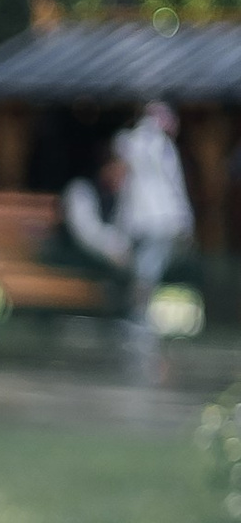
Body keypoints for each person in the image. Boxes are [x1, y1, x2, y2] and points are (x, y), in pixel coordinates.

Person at [61, 97, 192, 370]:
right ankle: (136, 319)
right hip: (125, 239)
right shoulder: (84, 190)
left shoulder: (152, 149)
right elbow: (92, 232)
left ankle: (137, 319)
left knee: (145, 271)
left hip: (153, 226)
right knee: (143, 271)